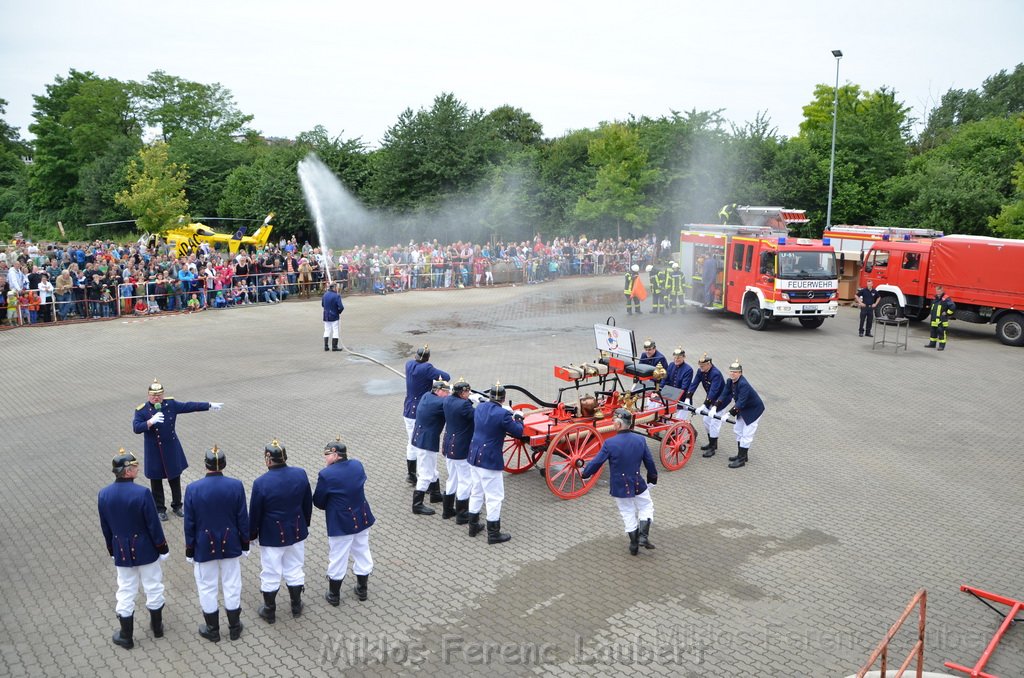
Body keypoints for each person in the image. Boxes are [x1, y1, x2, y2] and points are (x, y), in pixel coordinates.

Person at [98, 449, 170, 650]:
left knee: (126, 590)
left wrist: (112, 550)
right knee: (153, 586)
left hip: (121, 550)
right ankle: (157, 628)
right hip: (146, 549)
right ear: (127, 471)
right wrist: (162, 547)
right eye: (135, 466)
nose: (138, 468)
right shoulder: (142, 493)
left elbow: (106, 527)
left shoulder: (103, 494)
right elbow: (153, 524)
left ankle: (126, 636)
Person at [183, 446, 249, 642]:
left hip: (204, 546)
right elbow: (242, 518)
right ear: (224, 464)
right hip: (231, 544)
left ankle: (213, 629)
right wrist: (245, 544)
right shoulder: (236, 485)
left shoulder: (193, 488)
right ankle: (234, 628)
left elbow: (190, 523)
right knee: (232, 584)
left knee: (207, 587)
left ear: (206, 464)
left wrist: (189, 549)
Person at [132, 380, 223, 522]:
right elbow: (136, 427)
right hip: (154, 451)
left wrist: (209, 405)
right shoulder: (142, 410)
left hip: (171, 448)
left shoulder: (170, 404)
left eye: (159, 395)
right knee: (156, 482)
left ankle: (177, 505)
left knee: (175, 478)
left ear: (163, 395)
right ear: (148, 395)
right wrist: (150, 422)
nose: (156, 398)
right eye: (153, 395)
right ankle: (160, 509)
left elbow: (189, 406)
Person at [249, 440, 312, 624]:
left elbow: (255, 512)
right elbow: (306, 503)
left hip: (272, 534)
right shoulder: (300, 474)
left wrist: (252, 534)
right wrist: (304, 524)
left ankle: (270, 611)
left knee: (270, 572)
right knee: (295, 568)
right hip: (297, 530)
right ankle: (296, 605)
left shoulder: (261, 483)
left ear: (268, 459)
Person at [580, 409, 658, 555]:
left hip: (619, 486)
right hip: (637, 482)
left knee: (627, 512)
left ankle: (634, 544)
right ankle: (643, 536)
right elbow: (649, 462)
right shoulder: (640, 440)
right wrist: (652, 478)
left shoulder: (610, 443)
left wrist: (586, 474)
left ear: (617, 424)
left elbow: (597, 462)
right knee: (646, 506)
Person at [313, 439, 375, 605]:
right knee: (362, 550)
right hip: (361, 517)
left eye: (327, 455)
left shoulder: (326, 474)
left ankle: (334, 595)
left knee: (338, 557)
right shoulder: (357, 465)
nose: (325, 458)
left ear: (335, 454)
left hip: (340, 522)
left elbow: (318, 501)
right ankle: (362, 590)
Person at [466, 383, 525, 544]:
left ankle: (473, 526)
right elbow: (518, 432)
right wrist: (519, 417)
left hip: (474, 455)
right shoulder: (503, 415)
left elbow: (489, 410)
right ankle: (493, 534)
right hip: (489, 459)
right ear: (504, 398)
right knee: (494, 497)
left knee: (476, 492)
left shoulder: (480, 407)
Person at [402, 346, 450, 484]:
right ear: (427, 358)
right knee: (421, 446)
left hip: (408, 408)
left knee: (411, 442)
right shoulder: (427, 368)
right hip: (421, 410)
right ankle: (425, 477)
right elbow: (446, 377)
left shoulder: (409, 364)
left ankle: (411, 474)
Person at [441, 379, 482, 523]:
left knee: (452, 478)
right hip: (460, 447)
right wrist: (480, 402)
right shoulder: (464, 404)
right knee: (465, 480)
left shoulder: (447, 401)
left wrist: (469, 399)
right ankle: (462, 514)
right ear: (461, 393)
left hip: (448, 445)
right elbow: (477, 415)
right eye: (467, 392)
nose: (469, 393)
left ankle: (447, 510)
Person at [410, 379, 451, 515]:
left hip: (420, 438)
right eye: (445, 391)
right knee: (426, 473)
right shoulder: (440, 402)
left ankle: (435, 494)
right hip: (426, 441)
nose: (448, 393)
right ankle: (417, 505)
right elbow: (452, 404)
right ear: (438, 391)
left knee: (432, 468)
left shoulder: (427, 396)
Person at [721, 359, 765, 469]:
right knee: (738, 430)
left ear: (740, 373)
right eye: (731, 371)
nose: (732, 373)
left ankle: (741, 460)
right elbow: (724, 394)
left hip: (753, 410)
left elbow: (741, 401)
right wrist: (715, 406)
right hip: (742, 409)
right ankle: (742, 455)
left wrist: (729, 414)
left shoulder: (743, 384)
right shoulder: (730, 381)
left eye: (735, 372)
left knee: (747, 434)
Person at [684, 354, 727, 458]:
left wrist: (704, 405)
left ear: (709, 364)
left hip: (720, 401)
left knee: (714, 423)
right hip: (710, 399)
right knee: (706, 421)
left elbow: (714, 391)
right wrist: (688, 397)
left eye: (703, 366)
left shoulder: (715, 374)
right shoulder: (701, 371)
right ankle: (712, 443)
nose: (701, 368)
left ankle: (712, 448)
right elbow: (694, 384)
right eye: (700, 366)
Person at [925, 285, 956, 350]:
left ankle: (941, 346)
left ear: (942, 291)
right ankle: (932, 344)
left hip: (941, 320)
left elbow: (953, 307)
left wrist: (947, 313)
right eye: (937, 291)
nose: (938, 293)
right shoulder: (935, 298)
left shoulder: (946, 298)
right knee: (933, 332)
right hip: (934, 319)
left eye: (939, 291)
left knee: (941, 333)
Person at [322, 281, 344, 352]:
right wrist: (338, 312)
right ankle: (334, 347)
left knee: (327, 330)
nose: (337, 288)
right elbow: (341, 307)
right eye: (336, 287)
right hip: (334, 315)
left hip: (326, 315)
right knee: (335, 330)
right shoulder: (337, 296)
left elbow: (322, 304)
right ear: (334, 288)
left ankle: (326, 346)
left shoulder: (325, 295)